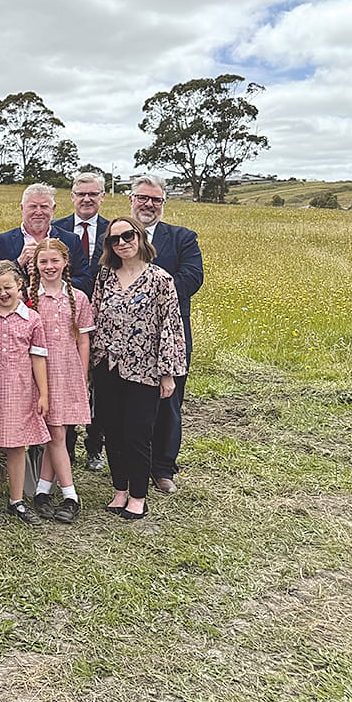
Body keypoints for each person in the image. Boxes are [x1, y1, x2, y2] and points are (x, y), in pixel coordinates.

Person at [90, 217, 187, 520]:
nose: (122, 243)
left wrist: (168, 372)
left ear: (140, 237)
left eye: (128, 236)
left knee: (137, 433)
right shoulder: (105, 277)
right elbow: (94, 316)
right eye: (114, 239)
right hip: (107, 366)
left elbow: (171, 326)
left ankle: (137, 495)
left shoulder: (160, 279)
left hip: (144, 370)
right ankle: (119, 489)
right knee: (112, 431)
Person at [130, 174, 203, 494]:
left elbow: (192, 277)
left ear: (163, 204)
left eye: (155, 200)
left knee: (168, 401)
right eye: (142, 198)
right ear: (131, 200)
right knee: (127, 402)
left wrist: (149, 295)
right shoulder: (117, 236)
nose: (148, 205)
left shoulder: (182, 238)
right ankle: (130, 465)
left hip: (170, 334)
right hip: (127, 336)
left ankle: (162, 468)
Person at [0, 260, 50, 528]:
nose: (2, 293)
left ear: (19, 285)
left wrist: (43, 393)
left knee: (17, 445)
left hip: (21, 389)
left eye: (7, 287)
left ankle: (16, 500)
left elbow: (38, 358)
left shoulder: (32, 319)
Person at [26, 239, 94, 524]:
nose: (49, 266)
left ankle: (62, 493)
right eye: (43, 262)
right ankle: (58, 492)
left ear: (66, 262)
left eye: (55, 261)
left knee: (58, 433)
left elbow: (84, 340)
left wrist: (83, 372)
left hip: (66, 371)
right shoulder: (29, 298)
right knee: (53, 434)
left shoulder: (77, 297)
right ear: (36, 266)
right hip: (38, 373)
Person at [50, 171, 109, 470]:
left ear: (102, 196)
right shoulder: (55, 230)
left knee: (96, 381)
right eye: (81, 194)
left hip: (102, 319)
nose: (87, 199)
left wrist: (79, 297)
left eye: (93, 194)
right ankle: (66, 447)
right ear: (72, 197)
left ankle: (95, 446)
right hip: (61, 319)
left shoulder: (115, 231)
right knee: (63, 382)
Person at [0, 183, 89, 297]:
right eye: (33, 206)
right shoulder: (1, 241)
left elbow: (86, 282)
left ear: (53, 209)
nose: (38, 212)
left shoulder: (70, 240)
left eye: (44, 207)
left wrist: (51, 276)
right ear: (22, 208)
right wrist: (18, 263)